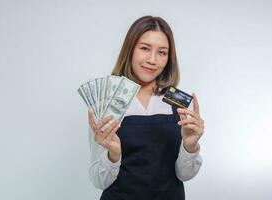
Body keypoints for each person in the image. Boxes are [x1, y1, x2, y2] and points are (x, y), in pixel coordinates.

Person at [87, 16, 204, 200]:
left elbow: (184, 175)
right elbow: (99, 181)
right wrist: (113, 155)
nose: (152, 60)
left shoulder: (178, 100)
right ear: (130, 49)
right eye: (144, 48)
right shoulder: (106, 102)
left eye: (162, 52)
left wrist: (190, 146)